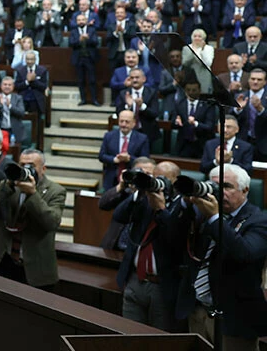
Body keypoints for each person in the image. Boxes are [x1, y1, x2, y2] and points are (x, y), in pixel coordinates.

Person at [174, 164, 267, 349]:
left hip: (234, 320)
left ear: (245, 190)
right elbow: (171, 240)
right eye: (215, 186)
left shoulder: (259, 220)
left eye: (227, 186)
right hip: (197, 310)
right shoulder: (201, 213)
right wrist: (186, 205)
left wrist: (215, 218)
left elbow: (245, 253)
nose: (219, 192)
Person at [113, 160, 183, 332]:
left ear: (176, 181)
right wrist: (139, 193)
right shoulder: (145, 200)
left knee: (158, 338)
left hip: (162, 285)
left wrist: (161, 209)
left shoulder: (182, 206)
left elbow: (175, 239)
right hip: (135, 279)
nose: (158, 183)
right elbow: (119, 216)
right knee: (128, 333)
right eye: (155, 178)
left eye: (164, 179)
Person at [0, 150, 66, 289]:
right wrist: (7, 184)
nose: (26, 169)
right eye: (22, 165)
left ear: (43, 169)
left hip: (35, 268)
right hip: (4, 261)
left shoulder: (56, 191)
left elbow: (52, 222)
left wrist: (33, 194)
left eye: (31, 166)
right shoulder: (10, 184)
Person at [98, 110, 150, 192]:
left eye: (127, 122)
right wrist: (114, 159)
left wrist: (129, 159)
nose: (123, 124)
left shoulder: (142, 139)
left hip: (132, 180)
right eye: (121, 121)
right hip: (111, 180)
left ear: (134, 123)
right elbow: (101, 156)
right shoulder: (109, 136)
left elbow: (145, 161)